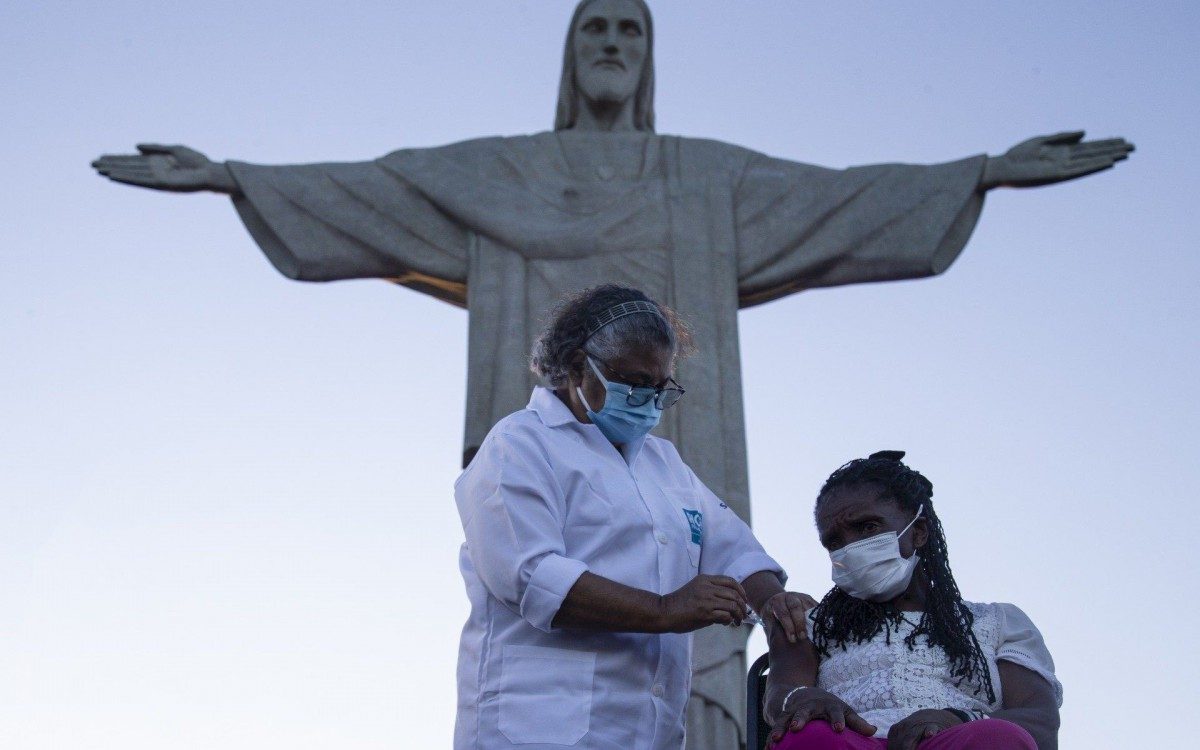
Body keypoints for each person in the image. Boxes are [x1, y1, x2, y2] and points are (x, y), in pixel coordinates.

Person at [453, 285, 813, 750]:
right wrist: (663, 610)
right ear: (580, 366)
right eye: (635, 383)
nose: (648, 399)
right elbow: (531, 576)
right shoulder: (519, 445)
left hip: (648, 732)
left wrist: (773, 605)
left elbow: (734, 550)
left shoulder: (663, 465)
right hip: (537, 728)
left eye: (661, 388)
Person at [762, 452, 1061, 750]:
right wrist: (802, 699)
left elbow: (1040, 722)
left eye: (868, 527)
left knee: (1000, 739)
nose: (851, 547)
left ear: (918, 532)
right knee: (806, 736)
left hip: (954, 739)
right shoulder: (812, 623)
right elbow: (782, 691)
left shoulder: (997, 622)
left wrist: (956, 719)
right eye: (835, 542)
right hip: (852, 741)